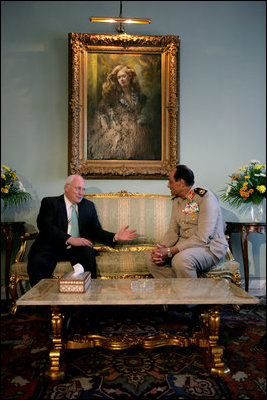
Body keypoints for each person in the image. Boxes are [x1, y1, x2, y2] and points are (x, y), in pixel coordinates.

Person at [27, 175, 138, 287]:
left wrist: (115, 237)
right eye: (78, 188)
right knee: (38, 260)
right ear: (67, 188)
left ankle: (88, 297)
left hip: (76, 249)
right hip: (51, 246)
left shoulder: (88, 206)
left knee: (87, 252)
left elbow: (95, 231)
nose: (81, 193)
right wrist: (69, 239)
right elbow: (45, 225)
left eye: (83, 189)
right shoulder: (50, 202)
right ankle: (41, 300)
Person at [146, 165, 228, 279]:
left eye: (170, 181)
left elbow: (203, 237)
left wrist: (170, 251)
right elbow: (173, 231)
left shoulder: (205, 197)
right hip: (184, 248)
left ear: (181, 182)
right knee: (151, 259)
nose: (168, 185)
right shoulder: (177, 200)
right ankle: (180, 290)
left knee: (181, 260)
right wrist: (162, 249)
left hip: (208, 248)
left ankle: (190, 295)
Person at [87, 64, 160, 160]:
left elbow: (144, 112)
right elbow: (101, 112)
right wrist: (109, 124)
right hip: (118, 130)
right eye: (119, 77)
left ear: (130, 77)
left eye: (124, 76)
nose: (121, 79)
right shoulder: (112, 96)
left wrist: (141, 119)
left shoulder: (138, 96)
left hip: (137, 130)